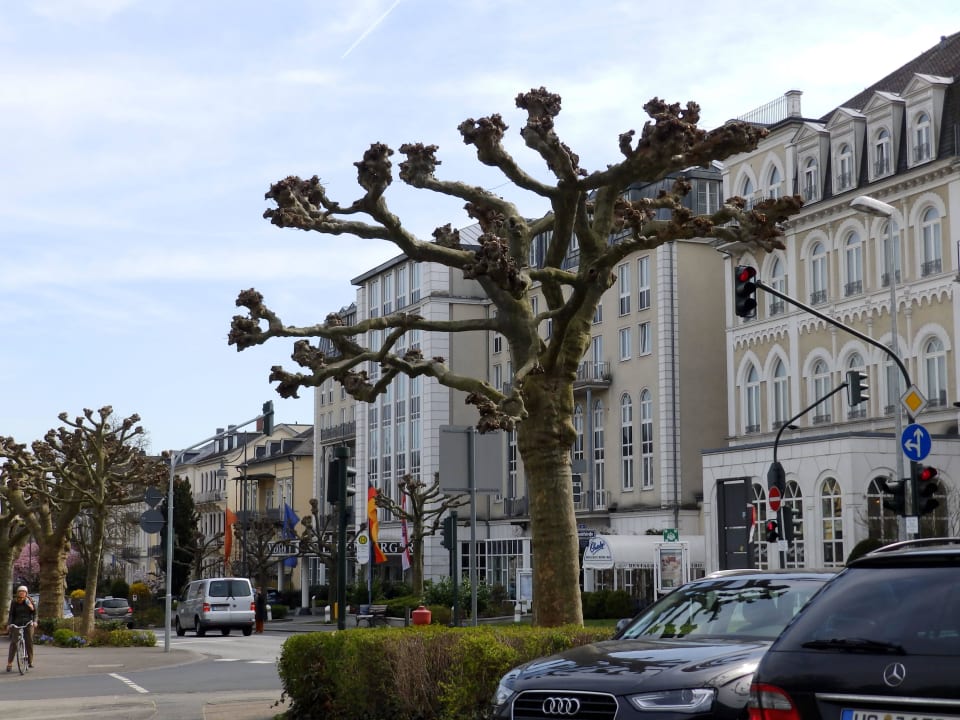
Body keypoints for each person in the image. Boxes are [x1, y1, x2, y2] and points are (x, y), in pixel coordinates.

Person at [7, 585, 36, 671]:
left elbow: (35, 613)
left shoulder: (30, 601)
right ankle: (9, 663)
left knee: (29, 640)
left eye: (23, 592)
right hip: (17, 623)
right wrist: (9, 624)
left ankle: (30, 661)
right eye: (20, 591)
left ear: (26, 593)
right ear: (18, 593)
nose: (22, 593)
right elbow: (11, 614)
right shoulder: (14, 602)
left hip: (28, 623)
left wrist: (34, 621)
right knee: (14, 642)